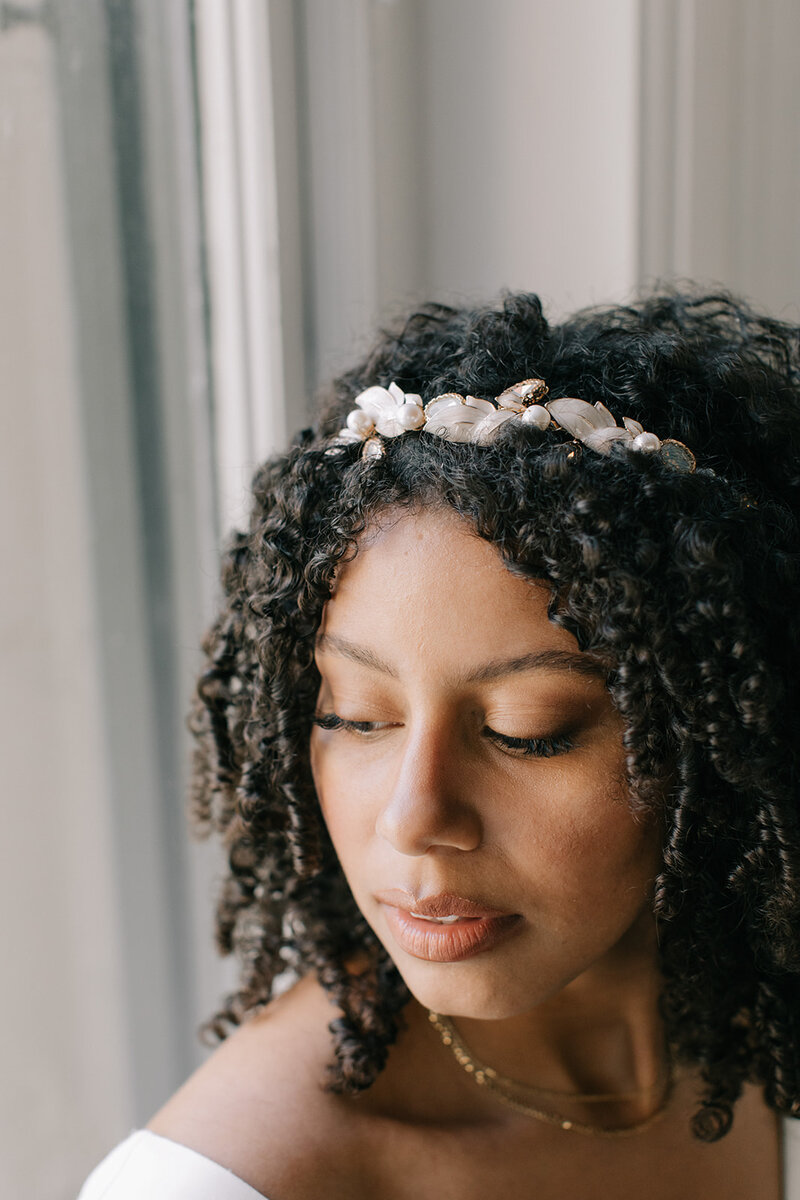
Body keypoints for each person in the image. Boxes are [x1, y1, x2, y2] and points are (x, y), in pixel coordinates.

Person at [79, 289, 800, 1199]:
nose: (414, 819)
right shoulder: (220, 1184)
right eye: (353, 716)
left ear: (727, 734)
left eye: (524, 731)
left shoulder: (759, 1021)